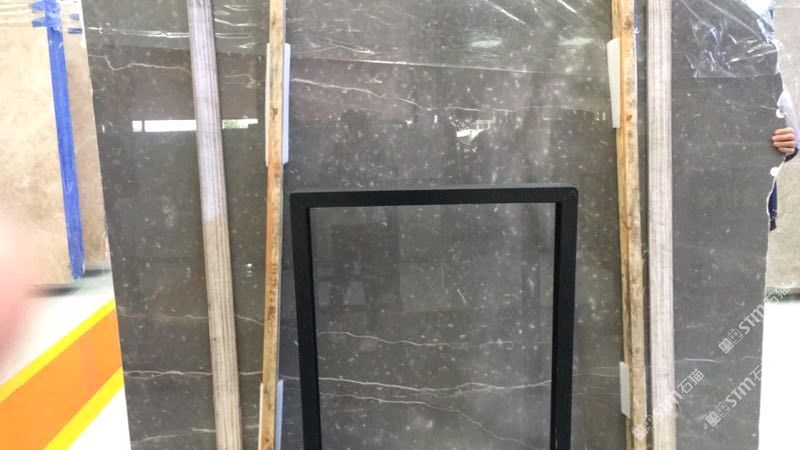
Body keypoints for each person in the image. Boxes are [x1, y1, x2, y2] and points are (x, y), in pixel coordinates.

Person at [770, 91, 800, 230]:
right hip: (703, 193)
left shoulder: (771, 85)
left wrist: (786, 142)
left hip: (753, 198)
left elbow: (794, 144)